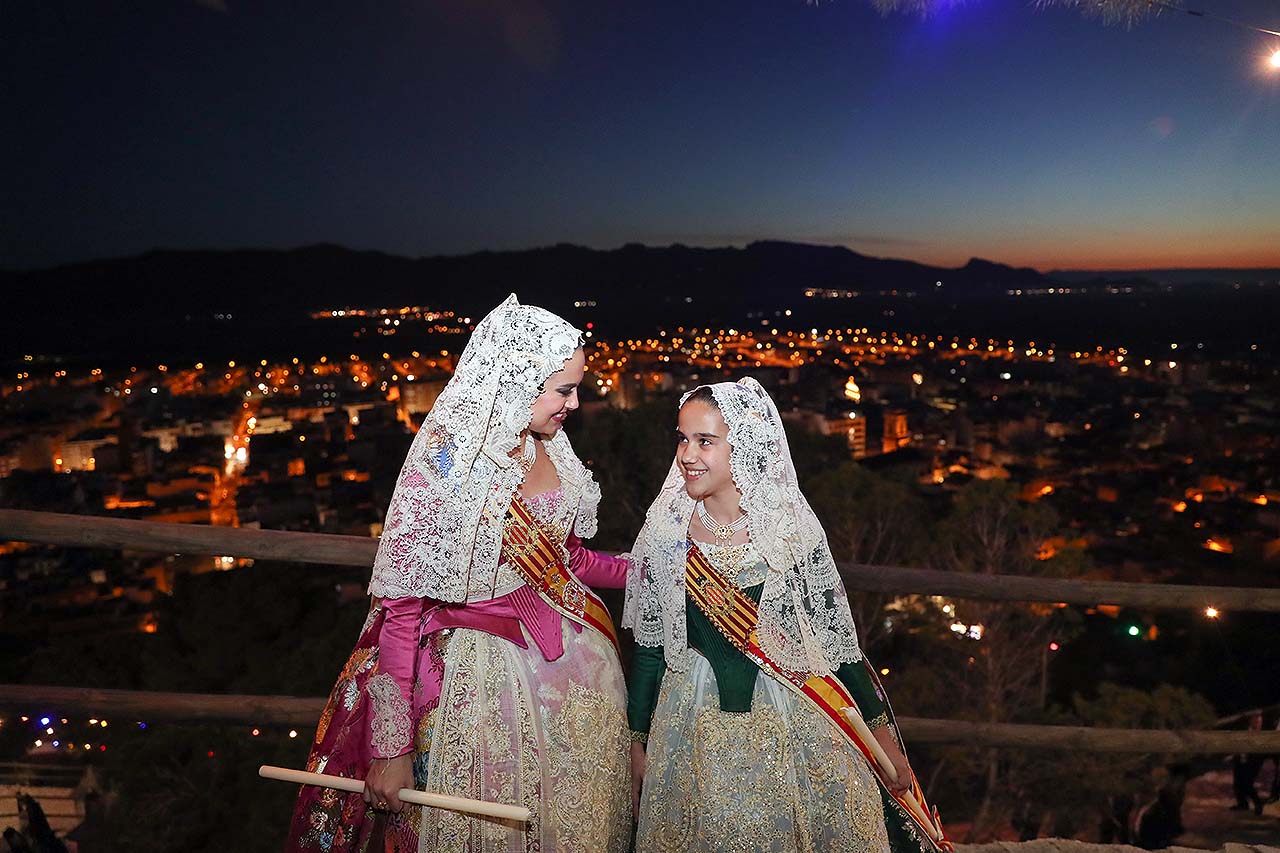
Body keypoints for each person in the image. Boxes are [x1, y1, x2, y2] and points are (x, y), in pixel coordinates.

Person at [286, 294, 631, 852]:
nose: (573, 402)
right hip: (481, 688)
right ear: (518, 379)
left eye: (575, 388)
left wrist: (657, 571)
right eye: (562, 389)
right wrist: (393, 752)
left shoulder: (553, 446)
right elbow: (400, 612)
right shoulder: (446, 462)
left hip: (578, 676)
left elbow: (570, 561)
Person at [623, 378, 951, 853]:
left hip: (790, 718)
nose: (687, 454)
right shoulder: (664, 530)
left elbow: (837, 646)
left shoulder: (791, 531)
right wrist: (637, 738)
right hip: (689, 725)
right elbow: (651, 648)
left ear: (746, 446)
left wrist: (882, 734)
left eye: (705, 441)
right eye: (682, 438)